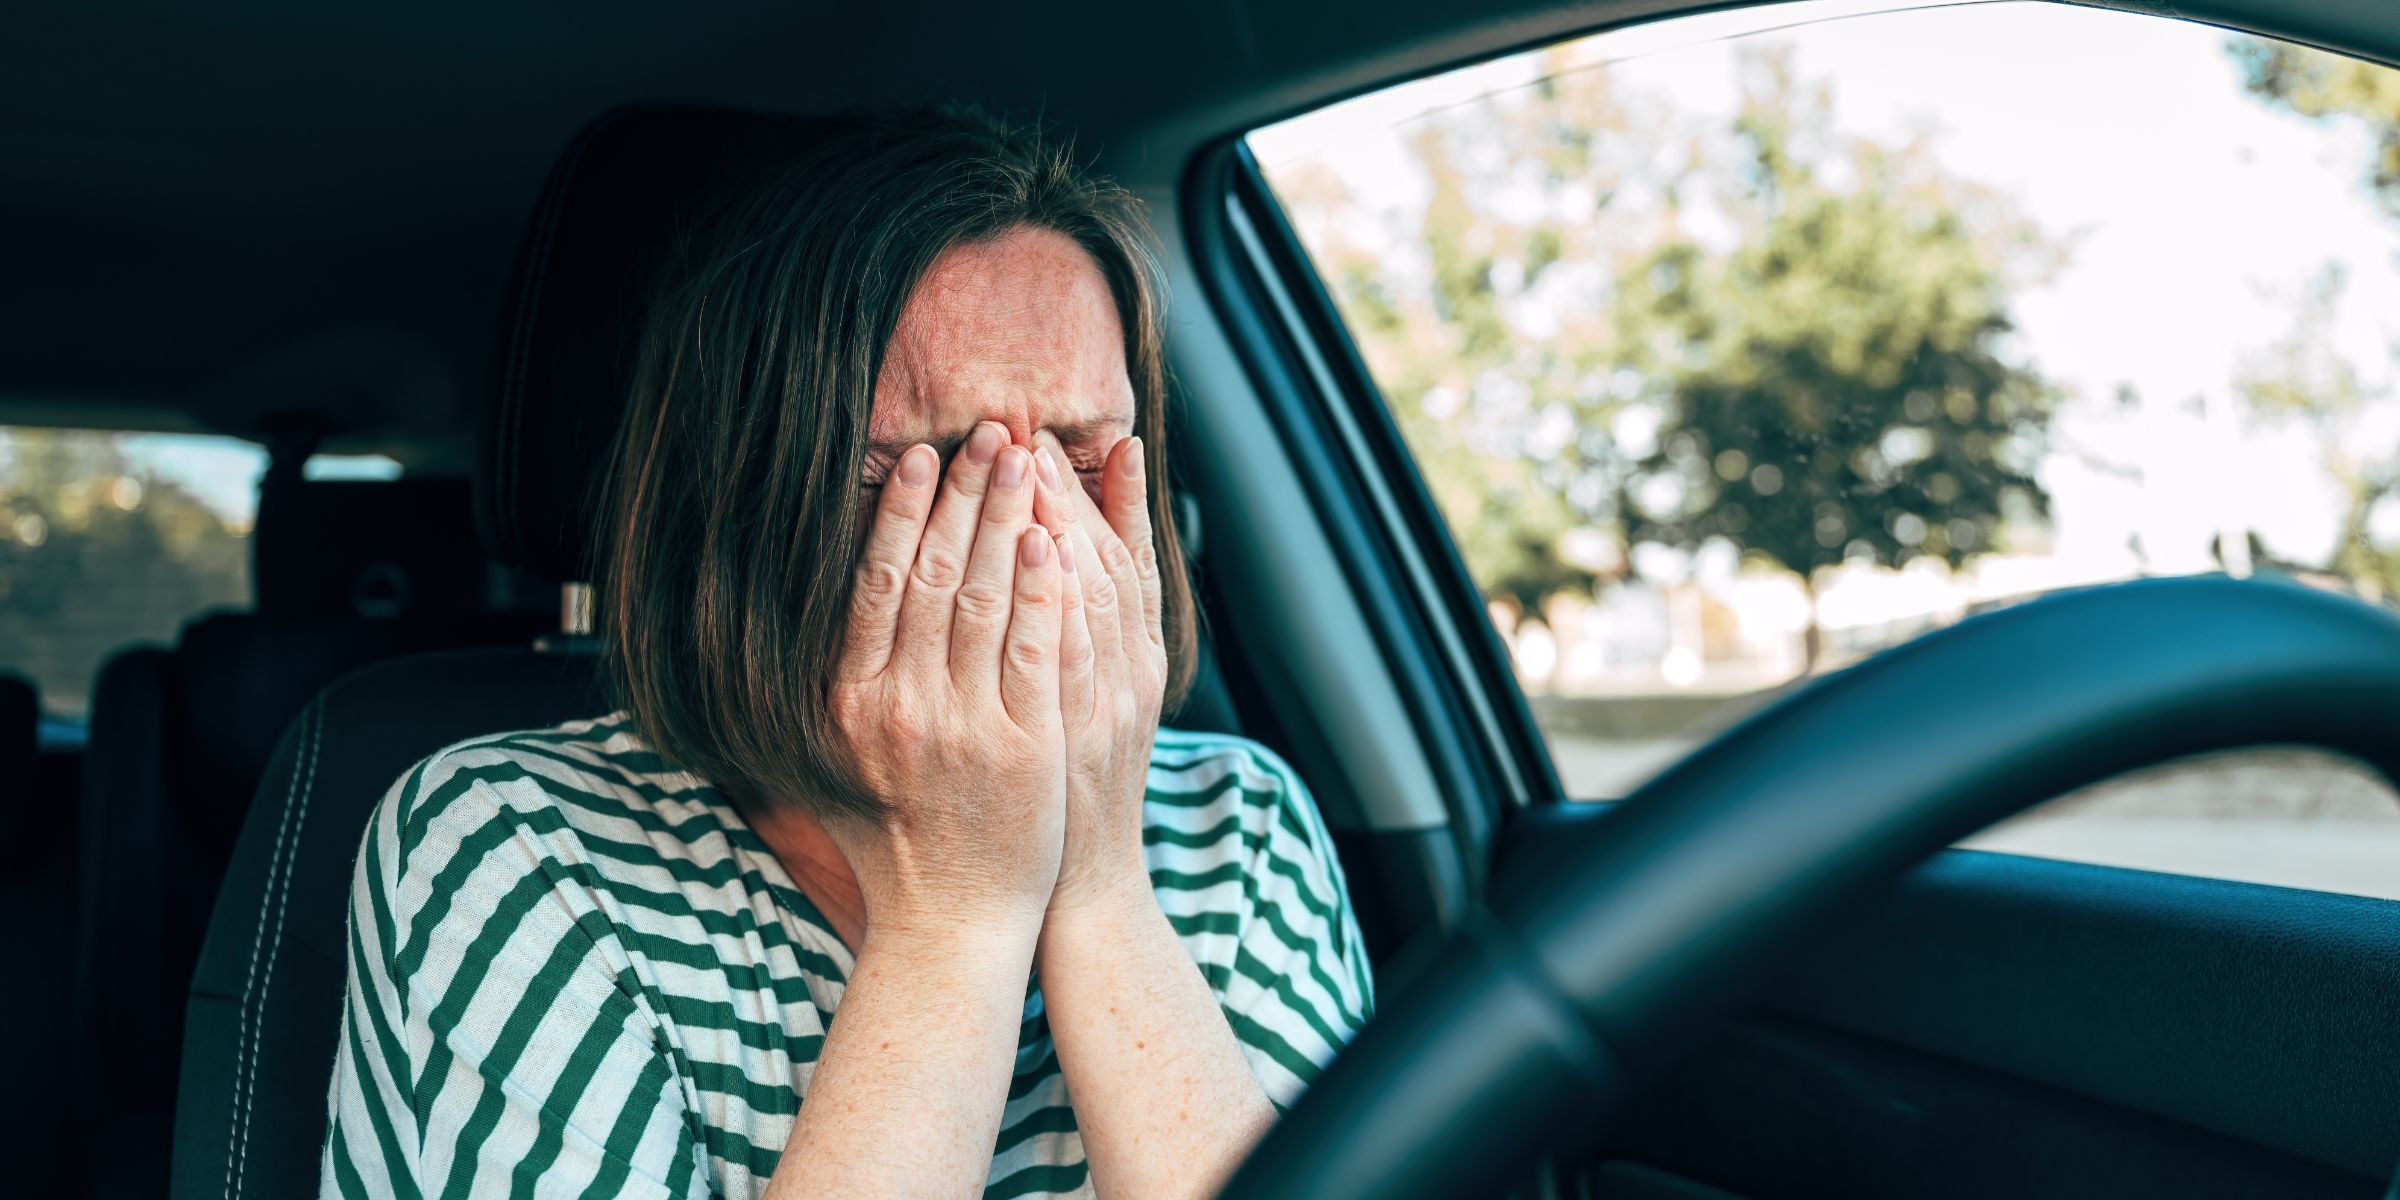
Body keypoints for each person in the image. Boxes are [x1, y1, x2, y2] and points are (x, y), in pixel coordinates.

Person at [319, 107, 1373, 1199]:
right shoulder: (513, 843)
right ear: (737, 508)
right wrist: (953, 915)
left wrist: (1100, 885)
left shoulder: (1242, 831)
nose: (1028, 538)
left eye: (1078, 463)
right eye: (918, 472)